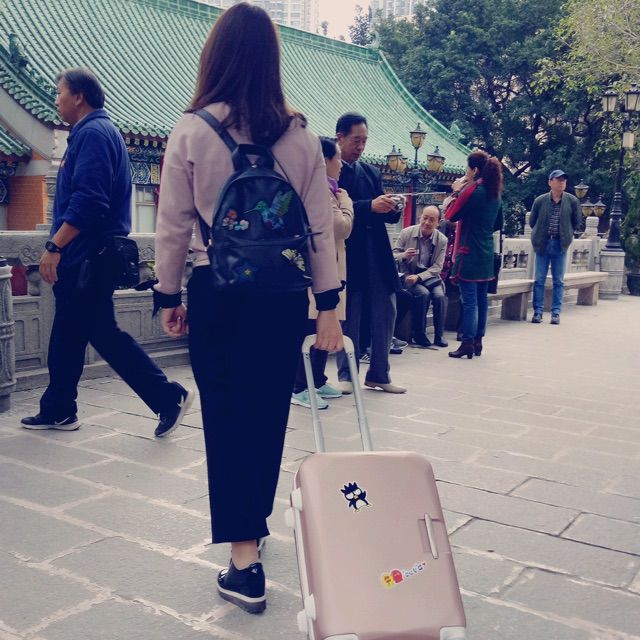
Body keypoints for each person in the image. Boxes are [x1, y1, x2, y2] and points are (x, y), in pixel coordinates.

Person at [152, 3, 343, 614]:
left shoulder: (190, 132)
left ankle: (243, 561)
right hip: (282, 298)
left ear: (216, 56)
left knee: (227, 419)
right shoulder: (301, 138)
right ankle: (252, 528)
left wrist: (168, 295)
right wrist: (328, 306)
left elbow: (172, 226)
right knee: (266, 415)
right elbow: (319, 228)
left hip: (219, 292)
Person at [21, 68, 193, 436]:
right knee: (71, 333)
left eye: (59, 92)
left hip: (86, 255)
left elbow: (90, 202)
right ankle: (59, 408)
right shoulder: (95, 132)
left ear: (78, 96)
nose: (56, 100)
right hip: (87, 254)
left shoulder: (94, 135)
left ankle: (166, 397)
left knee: (100, 333)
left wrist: (54, 246)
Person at [335, 113, 406, 394]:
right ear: (340, 137)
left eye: (364, 141)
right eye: (356, 140)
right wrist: (369, 206)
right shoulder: (330, 169)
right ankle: (346, 374)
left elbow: (383, 212)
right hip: (350, 252)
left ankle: (379, 372)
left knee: (386, 310)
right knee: (350, 315)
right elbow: (331, 207)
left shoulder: (371, 172)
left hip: (377, 252)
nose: (361, 146)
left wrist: (393, 207)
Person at [291, 136, 354, 409]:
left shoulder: (331, 191)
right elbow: (341, 227)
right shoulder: (322, 192)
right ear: (324, 160)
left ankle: (316, 380)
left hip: (332, 270)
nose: (341, 164)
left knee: (326, 327)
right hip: (316, 273)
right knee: (311, 327)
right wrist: (346, 201)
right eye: (337, 158)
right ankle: (299, 386)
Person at [446, 150, 504, 359]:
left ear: (475, 169)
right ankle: (478, 341)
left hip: (469, 251)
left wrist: (456, 191)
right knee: (481, 299)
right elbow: (498, 223)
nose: (466, 172)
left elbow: (451, 214)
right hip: (486, 252)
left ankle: (467, 342)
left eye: (467, 168)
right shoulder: (495, 193)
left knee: (469, 301)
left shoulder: (474, 190)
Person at [530, 169, 581, 325]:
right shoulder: (540, 200)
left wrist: (567, 235)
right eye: (558, 180)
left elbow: (577, 222)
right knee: (539, 279)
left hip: (560, 244)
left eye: (563, 180)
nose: (561, 183)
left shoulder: (572, 201)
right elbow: (532, 221)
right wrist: (539, 236)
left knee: (558, 280)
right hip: (543, 243)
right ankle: (538, 312)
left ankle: (556, 313)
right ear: (550, 182)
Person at [393, 206, 448, 347]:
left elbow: (437, 267)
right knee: (423, 294)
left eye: (432, 220)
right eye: (425, 218)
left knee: (439, 296)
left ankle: (439, 335)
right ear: (420, 218)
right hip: (408, 276)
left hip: (431, 278)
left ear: (438, 223)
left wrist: (419, 277)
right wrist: (404, 255)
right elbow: (393, 256)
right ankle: (419, 333)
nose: (427, 222)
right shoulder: (406, 233)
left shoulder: (442, 240)